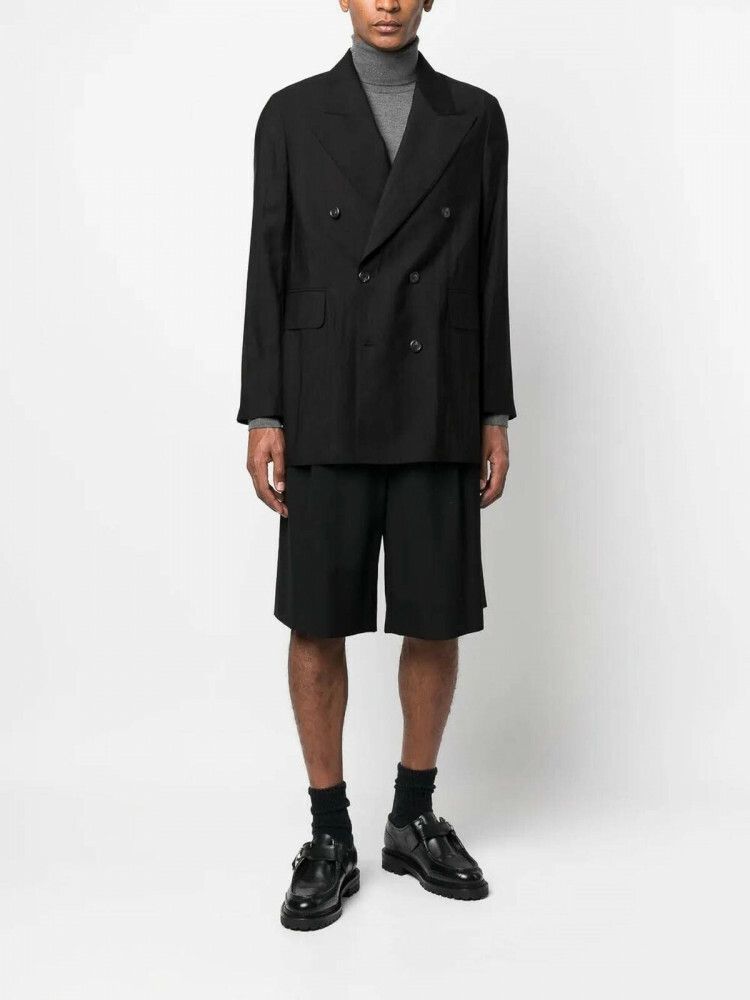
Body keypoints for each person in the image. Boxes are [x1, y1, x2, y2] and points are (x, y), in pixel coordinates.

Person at [237, 0, 515, 931]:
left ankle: (412, 816)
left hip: (438, 392)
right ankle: (329, 834)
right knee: (318, 617)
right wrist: (265, 410)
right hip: (325, 394)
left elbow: (489, 268)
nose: (388, 2)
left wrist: (493, 409)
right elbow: (268, 264)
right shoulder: (289, 114)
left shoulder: (475, 116)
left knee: (435, 614)